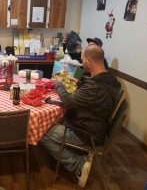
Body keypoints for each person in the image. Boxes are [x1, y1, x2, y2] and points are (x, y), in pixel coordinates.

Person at [41, 45, 121, 188]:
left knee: (43, 134)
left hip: (87, 133)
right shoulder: (110, 79)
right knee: (58, 120)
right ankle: (76, 154)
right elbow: (93, 96)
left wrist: (58, 84)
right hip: (97, 126)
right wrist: (80, 83)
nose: (82, 62)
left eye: (83, 59)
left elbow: (69, 102)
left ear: (89, 60)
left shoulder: (94, 86)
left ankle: (78, 165)